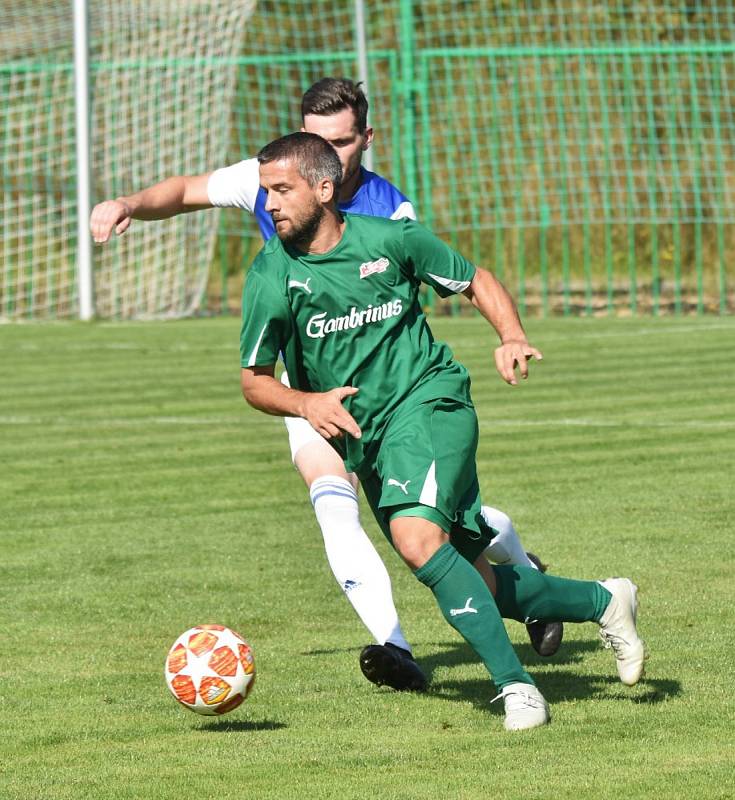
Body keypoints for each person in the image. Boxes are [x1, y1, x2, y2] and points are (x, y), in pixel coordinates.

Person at [89, 77, 562, 692]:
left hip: (388, 387)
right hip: (306, 386)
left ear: (366, 138)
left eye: (341, 143)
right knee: (334, 504)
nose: (327, 158)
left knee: (440, 523)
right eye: (317, 142)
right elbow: (184, 191)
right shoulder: (275, 176)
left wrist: (504, 336)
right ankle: (396, 648)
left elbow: (440, 285)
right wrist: (128, 203)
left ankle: (528, 579)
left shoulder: (390, 213)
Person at [238, 131, 647, 731]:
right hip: (367, 441)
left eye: (282, 189)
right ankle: (604, 600)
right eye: (264, 191)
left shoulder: (392, 239)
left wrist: (509, 335)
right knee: (475, 580)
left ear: (324, 189)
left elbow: (474, 279)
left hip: (432, 402)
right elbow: (254, 380)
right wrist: (304, 402)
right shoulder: (271, 274)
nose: (270, 204)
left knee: (416, 541)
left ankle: (517, 689)